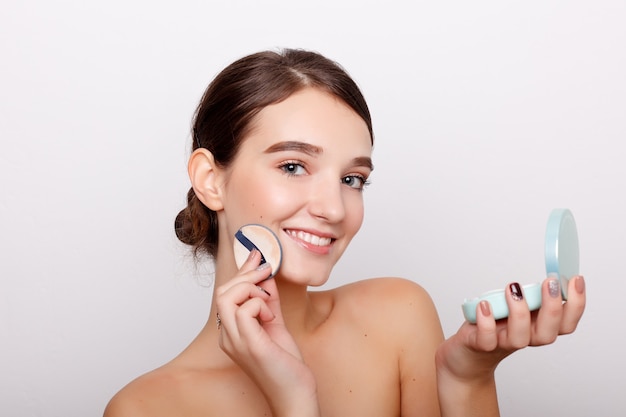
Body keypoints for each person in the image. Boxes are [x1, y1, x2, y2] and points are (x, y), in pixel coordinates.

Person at [104, 48, 586, 417]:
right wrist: (295, 399)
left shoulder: (399, 316)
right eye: (293, 166)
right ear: (211, 180)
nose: (334, 208)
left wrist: (467, 379)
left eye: (352, 179)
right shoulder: (145, 407)